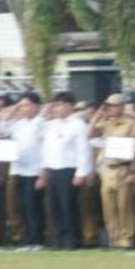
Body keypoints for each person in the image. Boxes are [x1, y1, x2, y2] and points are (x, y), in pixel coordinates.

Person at [39, 93, 92, 250]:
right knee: (54, 206)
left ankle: (72, 239)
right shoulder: (51, 124)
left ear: (70, 106)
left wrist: (81, 173)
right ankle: (59, 238)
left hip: (69, 170)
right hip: (52, 170)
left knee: (69, 206)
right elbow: (45, 148)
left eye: (61, 104)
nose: (57, 108)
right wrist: (44, 169)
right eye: (55, 105)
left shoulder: (78, 125)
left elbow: (84, 150)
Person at [0, 93, 46, 251]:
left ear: (36, 106)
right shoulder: (19, 123)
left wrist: (42, 173)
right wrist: (15, 107)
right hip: (19, 169)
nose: (24, 109)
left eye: (27, 105)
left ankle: (36, 240)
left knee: (33, 207)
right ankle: (27, 240)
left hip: (35, 170)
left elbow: (46, 150)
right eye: (22, 106)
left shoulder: (41, 123)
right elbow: (2, 123)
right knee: (22, 207)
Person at [89, 95, 135, 250]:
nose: (111, 108)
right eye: (109, 106)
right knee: (108, 205)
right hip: (107, 168)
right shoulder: (106, 124)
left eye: (114, 106)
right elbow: (90, 134)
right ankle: (113, 238)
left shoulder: (131, 124)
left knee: (124, 205)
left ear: (122, 106)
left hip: (123, 167)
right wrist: (99, 113)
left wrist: (132, 171)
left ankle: (126, 238)